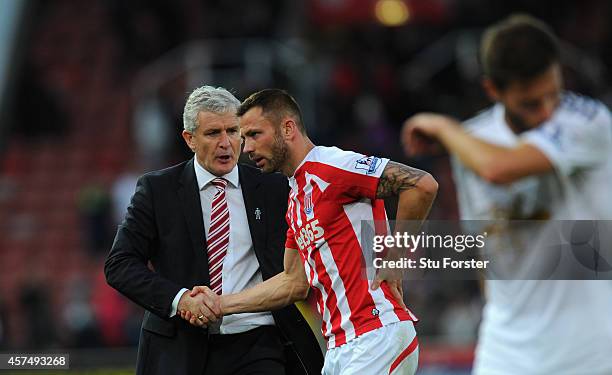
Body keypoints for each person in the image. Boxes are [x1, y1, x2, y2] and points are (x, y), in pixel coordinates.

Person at [402, 15, 612, 375]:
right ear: (493, 90)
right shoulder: (472, 142)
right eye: (531, 103)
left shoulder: (588, 121)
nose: (547, 111)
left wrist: (442, 126)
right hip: (506, 352)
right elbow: (485, 245)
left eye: (553, 93)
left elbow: (498, 169)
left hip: (590, 349)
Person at [182, 89, 438, 375]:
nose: (248, 148)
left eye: (255, 134)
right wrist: (220, 304)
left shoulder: (333, 166)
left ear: (288, 128)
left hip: (376, 334)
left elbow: (421, 185)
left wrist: (395, 259)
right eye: (245, 139)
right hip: (339, 347)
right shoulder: (294, 198)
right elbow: (293, 283)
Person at [104, 86, 323, 375]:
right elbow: (119, 265)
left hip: (258, 342)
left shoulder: (273, 188)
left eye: (233, 131)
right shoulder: (158, 191)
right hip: (181, 345)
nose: (226, 143)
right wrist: (179, 298)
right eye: (213, 133)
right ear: (189, 139)